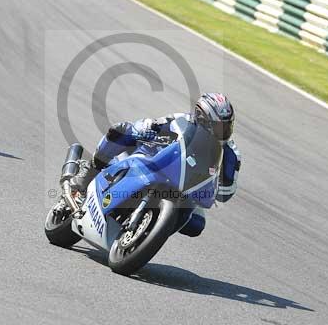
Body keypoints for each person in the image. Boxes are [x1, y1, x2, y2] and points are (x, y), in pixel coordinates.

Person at [74, 93, 242, 236]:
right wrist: (146, 129)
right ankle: (90, 169)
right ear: (201, 118)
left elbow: (225, 192)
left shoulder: (231, 153)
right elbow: (150, 124)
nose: (221, 132)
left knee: (197, 224)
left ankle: (148, 233)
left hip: (188, 189)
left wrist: (216, 185)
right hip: (155, 162)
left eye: (226, 127)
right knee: (121, 130)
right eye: (217, 127)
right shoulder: (181, 120)